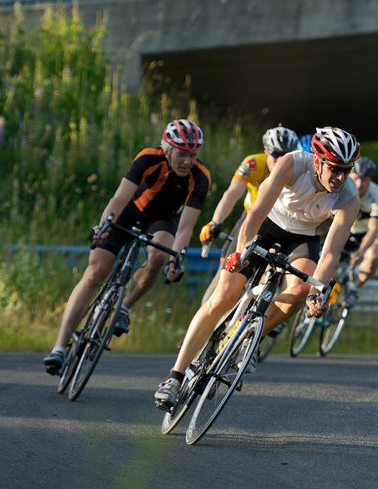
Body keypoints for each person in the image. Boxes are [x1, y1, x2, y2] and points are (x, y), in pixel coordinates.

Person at [155, 126, 361, 411]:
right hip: (266, 225)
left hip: (305, 237)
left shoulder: (349, 198)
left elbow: (330, 254)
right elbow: (255, 214)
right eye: (335, 169)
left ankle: (251, 339)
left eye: (347, 170)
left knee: (300, 289)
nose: (340, 177)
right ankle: (174, 377)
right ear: (318, 161)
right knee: (223, 297)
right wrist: (240, 253)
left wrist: (318, 293)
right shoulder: (293, 163)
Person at [43, 119, 210, 376]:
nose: (187, 161)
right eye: (181, 154)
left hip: (163, 220)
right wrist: (103, 227)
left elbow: (186, 227)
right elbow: (119, 199)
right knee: (95, 273)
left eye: (192, 155)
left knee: (160, 255)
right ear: (167, 150)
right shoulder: (148, 158)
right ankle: (59, 348)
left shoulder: (200, 178)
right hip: (130, 211)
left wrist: (176, 259)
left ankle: (124, 308)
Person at [199, 125, 299, 303]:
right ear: (266, 152)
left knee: (270, 271)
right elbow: (232, 194)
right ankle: (207, 313)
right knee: (225, 268)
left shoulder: (297, 171)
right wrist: (216, 221)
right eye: (276, 155)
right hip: (251, 217)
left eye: (287, 155)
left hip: (278, 222)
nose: (281, 160)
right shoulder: (253, 164)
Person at [343, 156, 378, 308]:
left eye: (365, 180)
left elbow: (374, 228)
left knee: (374, 257)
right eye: (356, 178)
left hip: (368, 234)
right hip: (346, 229)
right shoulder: (341, 186)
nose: (359, 184)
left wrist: (362, 252)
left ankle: (354, 289)